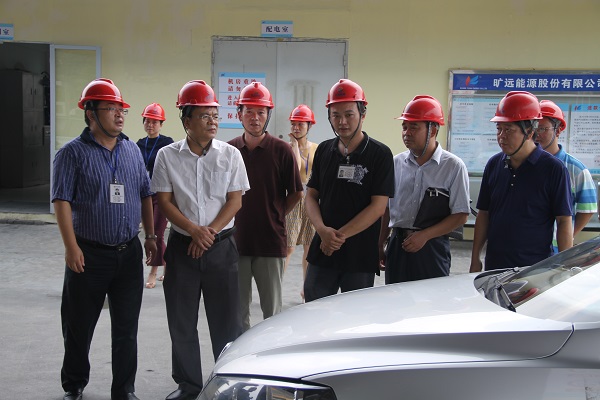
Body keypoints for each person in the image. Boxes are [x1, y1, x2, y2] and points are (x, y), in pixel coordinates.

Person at [52, 78, 156, 400]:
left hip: (128, 253)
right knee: (79, 325)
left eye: (121, 109)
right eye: (111, 108)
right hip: (89, 255)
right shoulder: (71, 154)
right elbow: (61, 201)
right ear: (90, 113)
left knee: (126, 329)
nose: (119, 114)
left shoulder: (132, 150)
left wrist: (151, 236)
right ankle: (74, 384)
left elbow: (145, 194)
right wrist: (71, 247)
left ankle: (124, 391)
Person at [151, 80, 249, 400]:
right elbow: (165, 201)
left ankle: (229, 384)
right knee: (181, 322)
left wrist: (208, 233)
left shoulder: (230, 155)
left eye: (215, 115)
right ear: (186, 120)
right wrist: (193, 230)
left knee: (227, 324)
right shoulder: (167, 156)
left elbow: (235, 200)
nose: (212, 122)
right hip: (183, 248)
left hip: (221, 248)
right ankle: (189, 385)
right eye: (204, 116)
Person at [303, 79, 394, 302]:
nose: (342, 121)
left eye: (349, 114)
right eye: (335, 115)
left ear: (363, 114)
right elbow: (311, 196)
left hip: (359, 255)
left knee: (354, 315)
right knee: (313, 311)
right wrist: (322, 231)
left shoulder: (380, 154)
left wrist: (337, 237)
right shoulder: (324, 150)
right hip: (323, 249)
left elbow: (378, 207)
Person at [470, 91, 573, 272]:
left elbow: (564, 220)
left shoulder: (553, 169)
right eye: (499, 129)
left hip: (535, 270)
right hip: (494, 268)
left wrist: (565, 267)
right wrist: (475, 258)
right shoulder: (494, 164)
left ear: (530, 131)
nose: (501, 136)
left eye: (509, 129)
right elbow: (484, 214)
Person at [228, 82, 303, 332]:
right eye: (249, 111)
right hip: (235, 242)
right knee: (237, 312)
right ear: (239, 114)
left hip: (270, 242)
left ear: (268, 115)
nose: (255, 117)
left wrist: (275, 213)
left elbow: (295, 193)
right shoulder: (229, 151)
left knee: (272, 313)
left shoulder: (281, 150)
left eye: (261, 112)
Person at [380, 95, 470, 283]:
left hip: (432, 247)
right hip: (397, 245)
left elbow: (461, 215)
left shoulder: (453, 166)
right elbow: (386, 209)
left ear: (433, 130)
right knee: (395, 297)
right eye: (404, 127)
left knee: (430, 298)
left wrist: (425, 236)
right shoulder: (396, 163)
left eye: (414, 127)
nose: (407, 133)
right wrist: (380, 244)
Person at [535, 99, 598, 252]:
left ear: (558, 130)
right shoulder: (525, 164)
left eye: (542, 128)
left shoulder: (576, 169)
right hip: (528, 248)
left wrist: (567, 236)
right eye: (533, 128)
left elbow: (588, 208)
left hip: (557, 250)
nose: (536, 134)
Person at [136, 103, 174, 288]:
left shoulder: (167, 143)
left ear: (161, 124)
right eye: (147, 121)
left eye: (154, 122)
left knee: (156, 233)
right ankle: (167, 265)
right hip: (145, 194)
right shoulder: (138, 144)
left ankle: (153, 271)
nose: (150, 125)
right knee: (151, 233)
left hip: (162, 194)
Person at [284, 104, 319, 300]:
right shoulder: (287, 148)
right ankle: (276, 284)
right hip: (294, 197)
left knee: (309, 246)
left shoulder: (317, 148)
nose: (296, 128)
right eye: (293, 124)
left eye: (300, 124)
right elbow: (296, 169)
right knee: (288, 246)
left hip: (312, 199)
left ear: (309, 126)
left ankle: (307, 288)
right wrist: (295, 147)